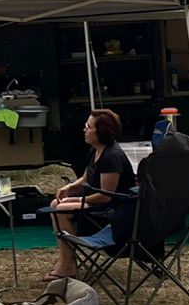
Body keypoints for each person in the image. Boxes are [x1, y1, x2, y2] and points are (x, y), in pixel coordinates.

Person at [45, 108, 135, 281]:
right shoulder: (96, 150)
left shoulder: (112, 156)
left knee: (60, 210)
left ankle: (67, 266)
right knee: (55, 205)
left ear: (101, 132)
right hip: (99, 204)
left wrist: (78, 199)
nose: (84, 130)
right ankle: (66, 260)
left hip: (114, 211)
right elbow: (87, 177)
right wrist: (70, 187)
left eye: (89, 126)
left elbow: (106, 196)